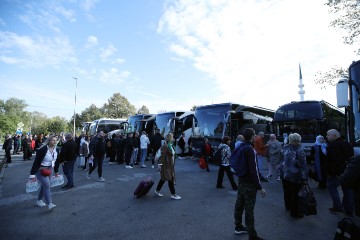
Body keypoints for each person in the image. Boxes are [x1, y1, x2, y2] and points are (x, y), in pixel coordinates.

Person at [232, 128, 266, 239]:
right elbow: (254, 170)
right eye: (255, 135)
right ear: (252, 136)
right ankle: (252, 235)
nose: (255, 136)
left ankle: (238, 226)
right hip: (249, 184)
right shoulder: (250, 149)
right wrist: (260, 187)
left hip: (241, 180)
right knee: (249, 209)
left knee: (239, 204)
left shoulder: (240, 146)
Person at [326, 129, 354, 215]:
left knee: (331, 187)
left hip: (337, 172)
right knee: (347, 189)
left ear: (334, 136)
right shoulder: (347, 144)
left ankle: (338, 206)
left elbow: (335, 161)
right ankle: (349, 209)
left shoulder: (333, 146)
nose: (326, 136)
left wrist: (336, 172)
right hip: (348, 171)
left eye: (328, 135)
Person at [280, 133, 308, 218]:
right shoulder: (300, 150)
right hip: (295, 175)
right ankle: (294, 212)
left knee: (287, 191)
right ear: (298, 140)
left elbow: (280, 160)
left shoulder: (284, 148)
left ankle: (288, 206)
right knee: (295, 193)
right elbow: (303, 165)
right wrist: (304, 177)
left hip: (284, 174)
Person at [29, 135, 58, 211]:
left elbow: (56, 161)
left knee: (44, 186)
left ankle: (39, 200)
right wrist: (32, 174)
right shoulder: (43, 149)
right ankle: (49, 204)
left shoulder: (56, 149)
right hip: (41, 169)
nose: (54, 142)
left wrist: (56, 171)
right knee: (47, 185)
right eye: (53, 140)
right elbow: (36, 162)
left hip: (50, 169)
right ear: (48, 141)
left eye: (55, 140)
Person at [154, 133, 181, 200]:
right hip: (166, 165)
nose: (173, 137)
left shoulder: (171, 145)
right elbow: (162, 156)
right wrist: (160, 165)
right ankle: (173, 194)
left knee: (163, 178)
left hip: (170, 165)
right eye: (172, 137)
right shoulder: (166, 146)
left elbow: (172, 154)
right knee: (170, 179)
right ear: (169, 138)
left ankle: (157, 191)